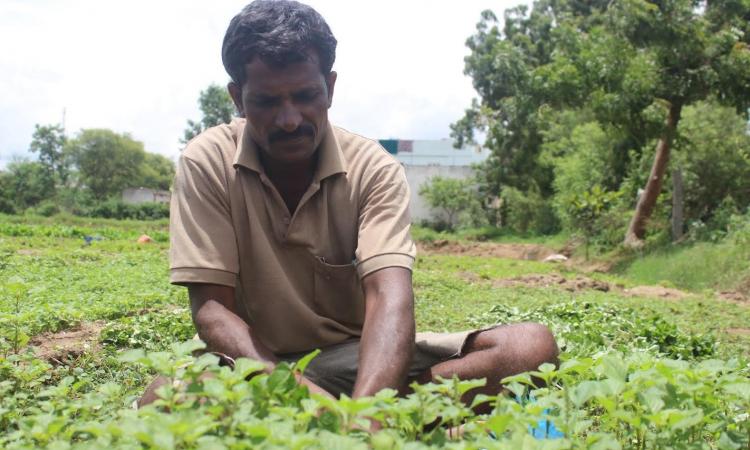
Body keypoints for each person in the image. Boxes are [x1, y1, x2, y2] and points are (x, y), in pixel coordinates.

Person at [141, 0, 558, 407]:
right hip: (254, 364)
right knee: (165, 398)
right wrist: (310, 400)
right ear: (238, 97)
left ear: (331, 88)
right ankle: (361, 420)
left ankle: (342, 422)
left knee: (527, 349)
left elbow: (388, 296)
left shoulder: (373, 168)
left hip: (358, 362)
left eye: (306, 96)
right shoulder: (208, 160)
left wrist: (367, 410)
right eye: (267, 102)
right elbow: (213, 311)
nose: (290, 120)